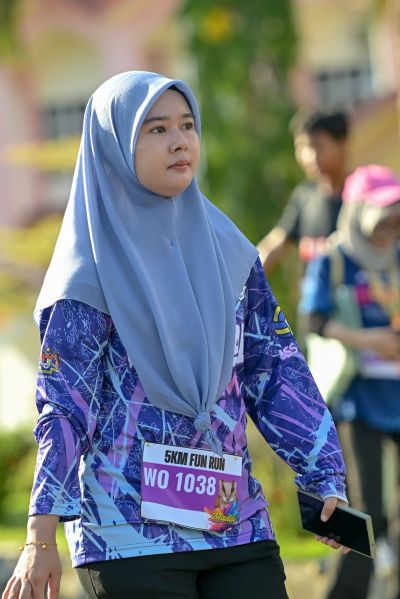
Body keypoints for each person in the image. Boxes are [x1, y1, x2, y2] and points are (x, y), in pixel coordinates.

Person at [2, 71, 349, 599]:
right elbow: (65, 408)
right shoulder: (86, 274)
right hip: (128, 537)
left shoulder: (230, 252)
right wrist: (40, 536)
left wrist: (323, 475)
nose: (180, 141)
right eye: (157, 129)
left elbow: (275, 369)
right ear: (114, 146)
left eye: (187, 125)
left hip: (233, 522)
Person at [299, 164, 400, 599]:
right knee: (364, 507)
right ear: (359, 212)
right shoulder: (334, 258)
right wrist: (368, 339)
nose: (390, 227)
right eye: (383, 216)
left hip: (396, 391)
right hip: (357, 397)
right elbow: (313, 319)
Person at [257, 111, 349, 276]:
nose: (310, 156)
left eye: (318, 146)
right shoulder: (304, 196)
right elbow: (275, 243)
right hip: (315, 292)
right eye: (302, 147)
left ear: (341, 143)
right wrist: (246, 279)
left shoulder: (362, 194)